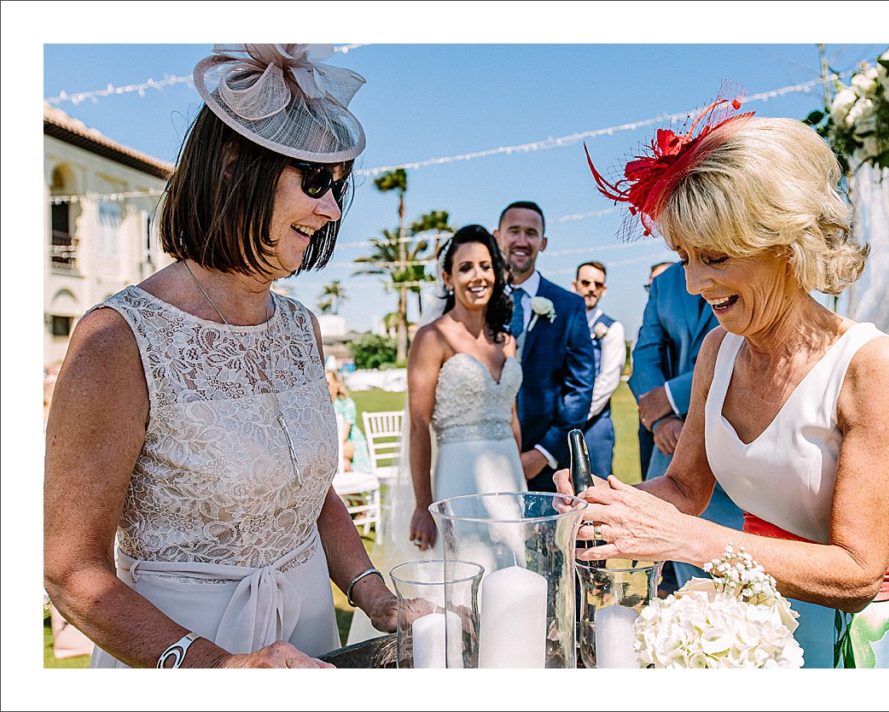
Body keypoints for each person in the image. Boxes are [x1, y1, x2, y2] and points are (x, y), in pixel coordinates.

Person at [566, 101, 889, 668]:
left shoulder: (877, 368)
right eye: (684, 259)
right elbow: (683, 491)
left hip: (866, 650)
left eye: (715, 257)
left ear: (786, 245)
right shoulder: (717, 352)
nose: (697, 283)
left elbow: (858, 571)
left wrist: (687, 540)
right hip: (758, 634)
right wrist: (600, 504)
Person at [43, 44, 397, 669]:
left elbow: (313, 496)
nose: (331, 209)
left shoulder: (301, 329)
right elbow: (71, 570)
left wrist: (377, 598)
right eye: (314, 182)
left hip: (312, 638)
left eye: (337, 188)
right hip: (178, 653)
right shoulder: (117, 340)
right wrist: (219, 668)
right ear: (235, 166)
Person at [405, 224, 526, 551]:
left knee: (512, 568)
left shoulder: (506, 342)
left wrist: (521, 483)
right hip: (459, 473)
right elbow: (418, 424)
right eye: (466, 267)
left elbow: (512, 418)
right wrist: (422, 505)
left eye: (486, 267)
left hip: (509, 473)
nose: (478, 276)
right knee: (467, 572)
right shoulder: (432, 337)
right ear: (447, 278)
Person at [629, 258, 742, 593]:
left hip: (738, 436)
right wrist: (663, 419)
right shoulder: (665, 283)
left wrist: (669, 397)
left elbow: (749, 348)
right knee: (681, 576)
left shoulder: (751, 266)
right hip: (674, 445)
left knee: (737, 571)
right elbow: (647, 352)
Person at [495, 201, 595, 493]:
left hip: (547, 467)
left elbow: (579, 387)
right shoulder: (476, 304)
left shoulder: (569, 305)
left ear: (544, 242)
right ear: (497, 236)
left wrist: (543, 453)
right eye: (514, 231)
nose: (522, 241)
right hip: (485, 457)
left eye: (531, 233)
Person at [570, 261, 625, 476]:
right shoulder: (563, 322)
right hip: (560, 424)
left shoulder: (611, 328)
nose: (591, 288)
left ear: (604, 289)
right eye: (586, 282)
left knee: (595, 491)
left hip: (594, 425)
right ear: (574, 285)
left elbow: (608, 380)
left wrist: (575, 415)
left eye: (598, 284)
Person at [636, 262, 673, 479]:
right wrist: (662, 420)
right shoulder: (664, 288)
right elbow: (644, 356)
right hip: (660, 427)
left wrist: (669, 397)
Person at [326, 369, 371, 472]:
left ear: (336, 384)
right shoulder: (322, 407)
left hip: (349, 441)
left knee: (338, 456)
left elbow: (344, 435)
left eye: (327, 383)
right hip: (334, 444)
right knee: (344, 462)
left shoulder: (346, 404)